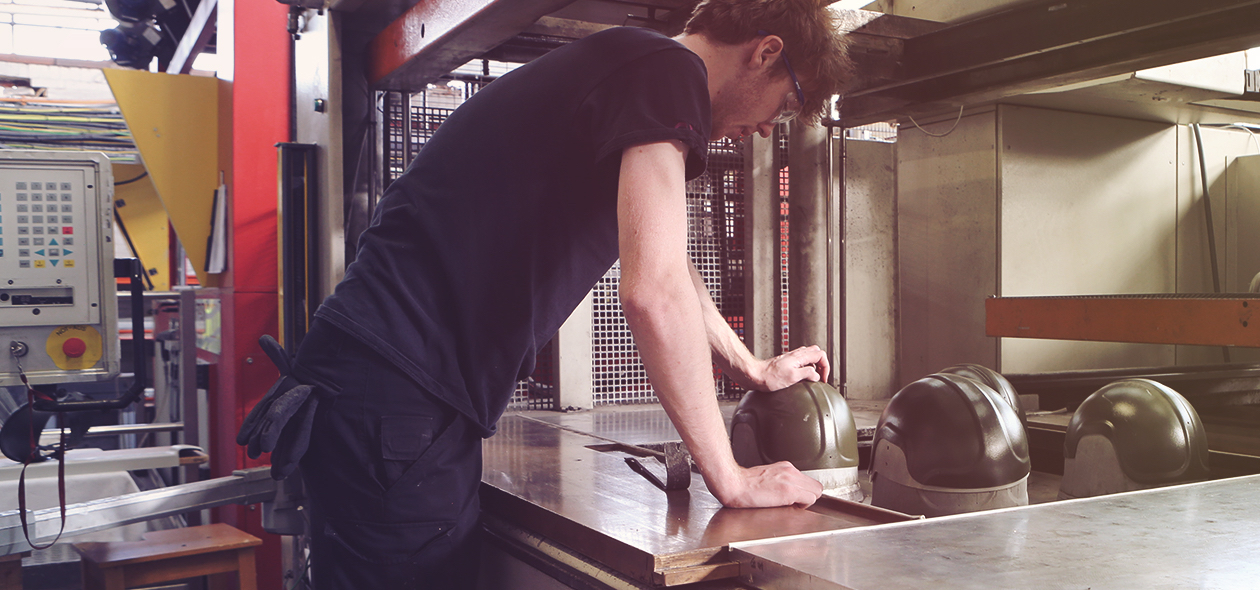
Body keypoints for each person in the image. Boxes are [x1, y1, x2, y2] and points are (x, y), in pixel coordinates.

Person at [243, 0, 853, 587]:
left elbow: (671, 264)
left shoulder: (635, 69)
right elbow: (653, 290)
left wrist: (748, 366)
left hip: (384, 388)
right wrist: (732, 478)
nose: (771, 124)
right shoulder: (670, 72)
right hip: (399, 397)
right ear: (765, 52)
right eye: (788, 100)